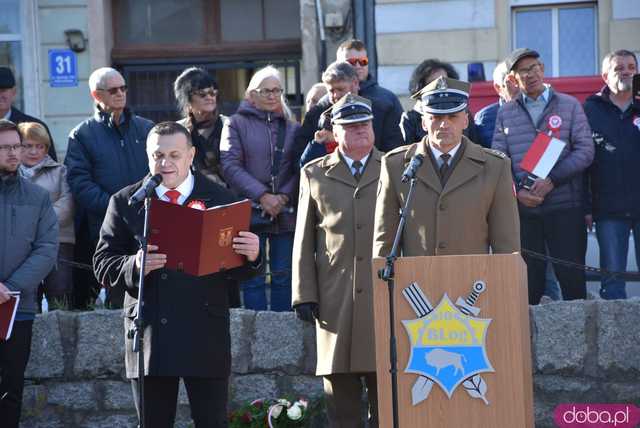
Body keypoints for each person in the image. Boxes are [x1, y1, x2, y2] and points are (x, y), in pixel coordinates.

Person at [93, 122, 261, 428]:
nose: (165, 163)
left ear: (191, 155)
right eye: (157, 155)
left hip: (204, 331)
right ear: (147, 156)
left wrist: (253, 255)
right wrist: (134, 265)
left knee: (211, 422)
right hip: (150, 331)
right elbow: (102, 263)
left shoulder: (221, 198)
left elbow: (239, 270)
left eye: (174, 154)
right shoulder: (126, 201)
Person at [293, 94, 380, 427]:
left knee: (387, 398)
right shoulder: (314, 173)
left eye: (365, 124)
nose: (359, 130)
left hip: (382, 296)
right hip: (335, 297)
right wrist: (304, 293)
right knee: (340, 401)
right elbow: (304, 238)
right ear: (334, 131)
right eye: (350, 125)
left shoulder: (395, 168)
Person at [373, 77, 520, 259]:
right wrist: (385, 285)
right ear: (424, 123)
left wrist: (502, 286)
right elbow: (384, 241)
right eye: (436, 117)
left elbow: (507, 244)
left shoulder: (495, 166)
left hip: (474, 283)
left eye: (452, 117)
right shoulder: (395, 165)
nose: (444, 124)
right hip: (415, 284)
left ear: (465, 121)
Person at [492, 48, 594, 305]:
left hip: (565, 208)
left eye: (536, 67)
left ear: (543, 70)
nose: (532, 73)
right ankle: (527, 345)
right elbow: (498, 159)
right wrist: (518, 191)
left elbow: (585, 151)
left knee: (573, 285)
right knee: (528, 286)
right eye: (524, 70)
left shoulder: (569, 105)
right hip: (526, 213)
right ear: (513, 78)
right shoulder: (506, 113)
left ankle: (579, 345)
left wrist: (553, 180)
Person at [65, 67, 154, 308]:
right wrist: (116, 207)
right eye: (113, 90)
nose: (121, 94)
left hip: (148, 221)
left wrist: (143, 202)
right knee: (119, 298)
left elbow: (160, 171)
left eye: (124, 88)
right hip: (108, 226)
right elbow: (79, 182)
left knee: (155, 294)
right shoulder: (81, 135)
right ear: (97, 95)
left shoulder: (146, 129)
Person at [220, 65, 299, 311]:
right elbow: (230, 165)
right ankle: (253, 336)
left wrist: (283, 197)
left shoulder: (293, 126)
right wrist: (263, 196)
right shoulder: (235, 124)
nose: (273, 95)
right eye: (266, 91)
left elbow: (300, 167)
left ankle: (283, 335)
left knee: (284, 276)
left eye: (277, 90)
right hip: (250, 213)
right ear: (251, 95)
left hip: (285, 213)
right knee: (252, 279)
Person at [0, 119, 58, 428]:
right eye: (6, 147)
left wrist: (8, 287)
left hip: (17, 309)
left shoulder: (37, 197)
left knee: (11, 390)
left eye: (17, 146)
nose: (14, 153)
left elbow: (47, 249)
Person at [173, 67, 241, 307]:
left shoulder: (231, 125)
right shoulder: (178, 131)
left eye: (213, 92)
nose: (210, 97)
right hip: (189, 210)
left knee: (228, 266)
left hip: (226, 205)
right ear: (188, 99)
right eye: (203, 93)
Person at [584, 49, 639, 300]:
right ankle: (614, 340)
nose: (626, 71)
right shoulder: (590, 110)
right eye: (619, 68)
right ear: (605, 76)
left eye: (631, 67)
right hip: (607, 209)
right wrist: (586, 207)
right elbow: (582, 162)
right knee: (613, 285)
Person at [18, 122, 74, 307]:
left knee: (59, 290)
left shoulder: (60, 171)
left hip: (58, 240)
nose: (34, 151)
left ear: (46, 148)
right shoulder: (10, 174)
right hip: (20, 243)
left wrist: (37, 222)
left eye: (39, 146)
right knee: (27, 293)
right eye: (28, 146)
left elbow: (67, 204)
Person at [336, 39, 404, 152]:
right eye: (351, 62)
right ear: (338, 64)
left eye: (363, 61)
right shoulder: (327, 99)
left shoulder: (387, 99)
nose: (358, 66)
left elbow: (397, 143)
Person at [400, 59, 482, 146]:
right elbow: (406, 153)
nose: (440, 87)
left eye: (444, 81)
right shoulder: (410, 118)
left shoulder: (462, 112)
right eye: (433, 83)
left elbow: (474, 146)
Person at [295, 61, 360, 167]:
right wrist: (317, 144)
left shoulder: (375, 111)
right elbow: (301, 165)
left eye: (340, 89)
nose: (336, 95)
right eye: (331, 91)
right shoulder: (315, 116)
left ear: (355, 83)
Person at [0, 67, 57, 161]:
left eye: (3, 90)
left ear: (14, 92)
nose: (0, 95)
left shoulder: (34, 127)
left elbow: (50, 169)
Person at [474, 61, 520, 148]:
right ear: (498, 88)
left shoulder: (540, 110)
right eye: (512, 81)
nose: (519, 86)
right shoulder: (484, 119)